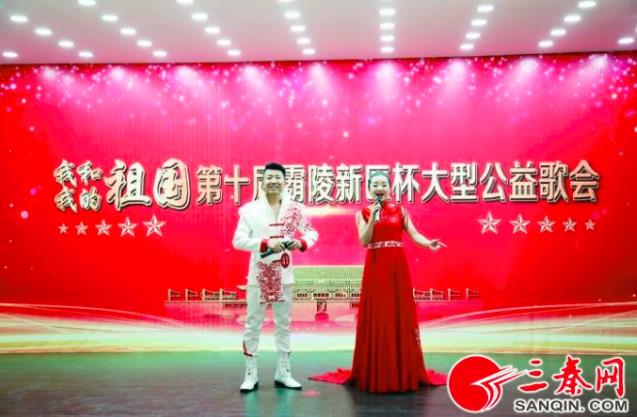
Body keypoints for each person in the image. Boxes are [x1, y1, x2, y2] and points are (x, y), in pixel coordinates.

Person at [310, 171, 446, 393]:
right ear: (370, 189)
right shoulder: (362, 213)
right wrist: (373, 218)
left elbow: (414, 234)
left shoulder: (401, 211)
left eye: (384, 184)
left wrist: (428, 243)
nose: (380, 187)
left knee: (398, 313)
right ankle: (377, 369)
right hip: (376, 266)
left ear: (390, 188)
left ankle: (402, 368)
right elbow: (364, 241)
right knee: (379, 313)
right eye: (375, 184)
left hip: (397, 267)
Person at [232, 162, 319, 393]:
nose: (273, 181)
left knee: (284, 324)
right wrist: (265, 243)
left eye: (277, 178)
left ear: (284, 181)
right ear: (262, 182)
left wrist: (301, 242)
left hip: (284, 274)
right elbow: (238, 240)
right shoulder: (249, 210)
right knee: (253, 324)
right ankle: (250, 374)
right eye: (268, 178)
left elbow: (312, 232)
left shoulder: (295, 210)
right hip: (259, 274)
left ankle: (284, 372)